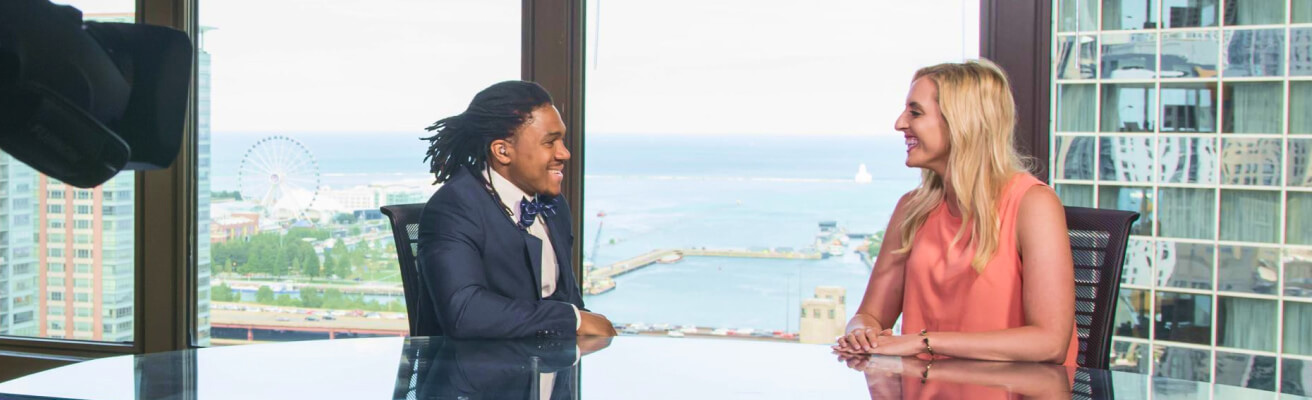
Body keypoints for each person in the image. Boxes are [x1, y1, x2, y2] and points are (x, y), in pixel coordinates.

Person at [833, 60, 1079, 365]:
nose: (900, 123)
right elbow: (870, 314)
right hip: (928, 387)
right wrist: (862, 332)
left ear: (961, 122)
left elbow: (1049, 342)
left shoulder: (1034, 204)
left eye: (916, 112)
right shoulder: (912, 209)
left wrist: (923, 342)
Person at [416, 80, 617, 338]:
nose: (564, 153)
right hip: (478, 373)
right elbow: (465, 312)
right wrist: (572, 320)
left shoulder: (553, 205)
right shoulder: (453, 208)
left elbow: (570, 300)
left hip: (550, 367)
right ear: (502, 151)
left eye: (562, 141)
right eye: (550, 142)